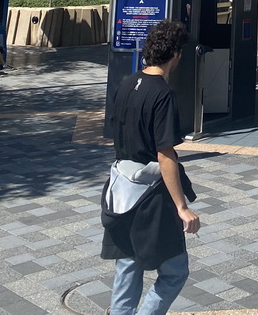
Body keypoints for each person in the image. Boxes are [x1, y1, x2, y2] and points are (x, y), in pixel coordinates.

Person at [101, 19, 200, 315]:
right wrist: (181, 206)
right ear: (175, 55)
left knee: (128, 266)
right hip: (150, 198)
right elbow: (165, 154)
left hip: (120, 190)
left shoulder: (127, 83)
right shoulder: (163, 94)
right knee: (175, 271)